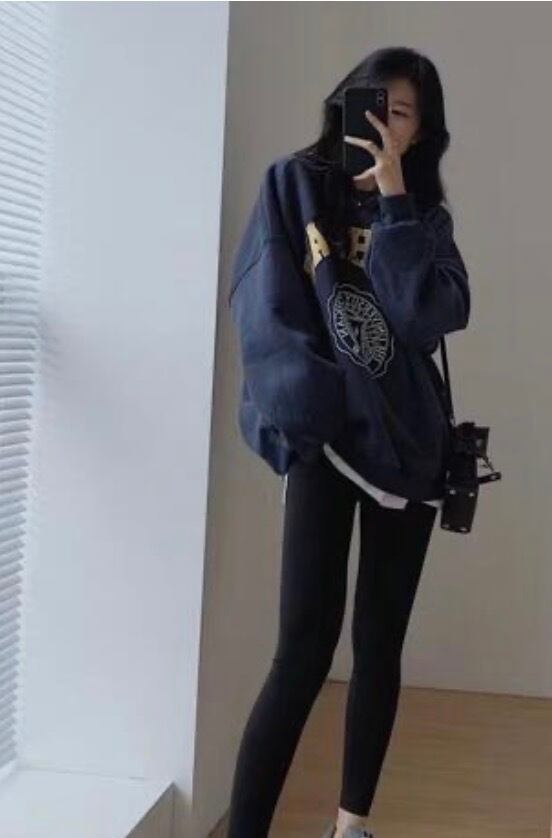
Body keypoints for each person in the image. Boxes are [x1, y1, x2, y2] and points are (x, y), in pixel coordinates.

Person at [226, 46, 471, 838]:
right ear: (345, 102)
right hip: (326, 442)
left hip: (409, 453)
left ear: (421, 132)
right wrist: (311, 417)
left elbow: (430, 317)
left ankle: (350, 825)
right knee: (300, 650)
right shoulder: (294, 185)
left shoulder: (424, 218)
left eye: (402, 114)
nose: (384, 123)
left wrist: (396, 202)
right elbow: (266, 311)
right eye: (376, 104)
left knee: (378, 645)